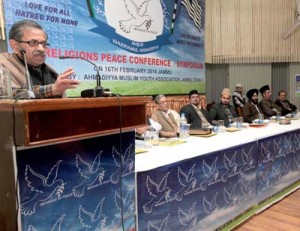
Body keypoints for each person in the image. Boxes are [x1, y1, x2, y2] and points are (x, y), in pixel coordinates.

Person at [0, 19, 80, 98]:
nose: (41, 49)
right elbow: (9, 94)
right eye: (33, 42)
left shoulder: (52, 73)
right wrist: (52, 89)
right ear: (15, 45)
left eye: (44, 44)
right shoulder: (3, 65)